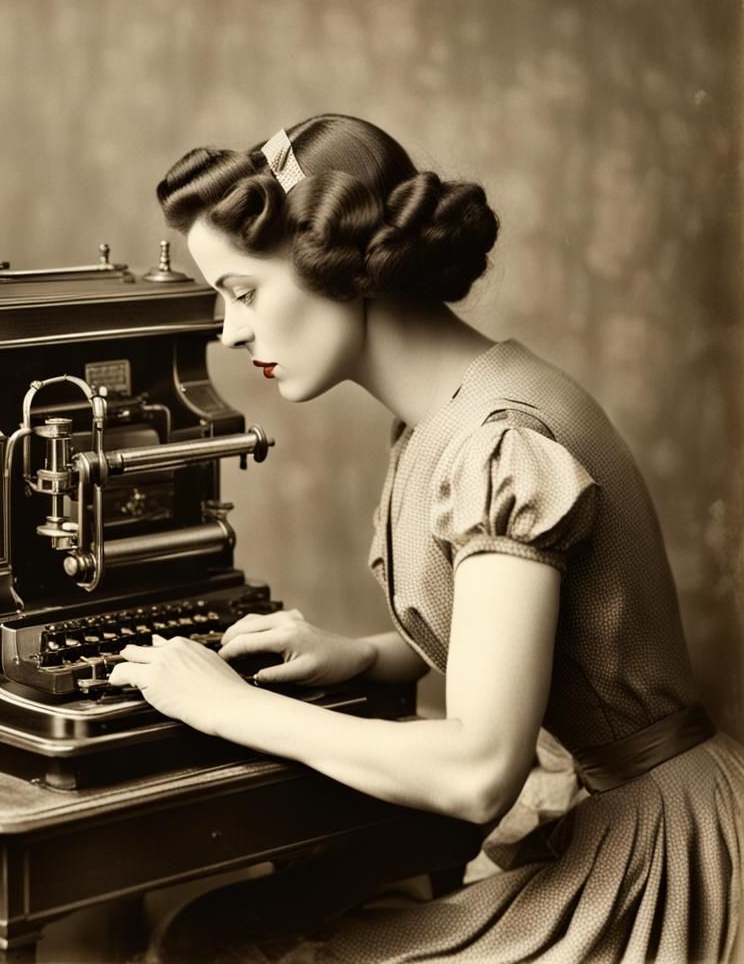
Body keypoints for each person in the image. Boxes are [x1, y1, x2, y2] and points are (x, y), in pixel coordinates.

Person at [109, 114, 744, 962]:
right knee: (214, 930)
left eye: (243, 292)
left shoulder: (497, 442)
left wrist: (229, 708)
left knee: (224, 946)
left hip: (664, 866)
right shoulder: (460, 408)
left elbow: (478, 769)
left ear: (335, 265)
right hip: (633, 815)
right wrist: (367, 657)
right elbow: (559, 635)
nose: (228, 331)